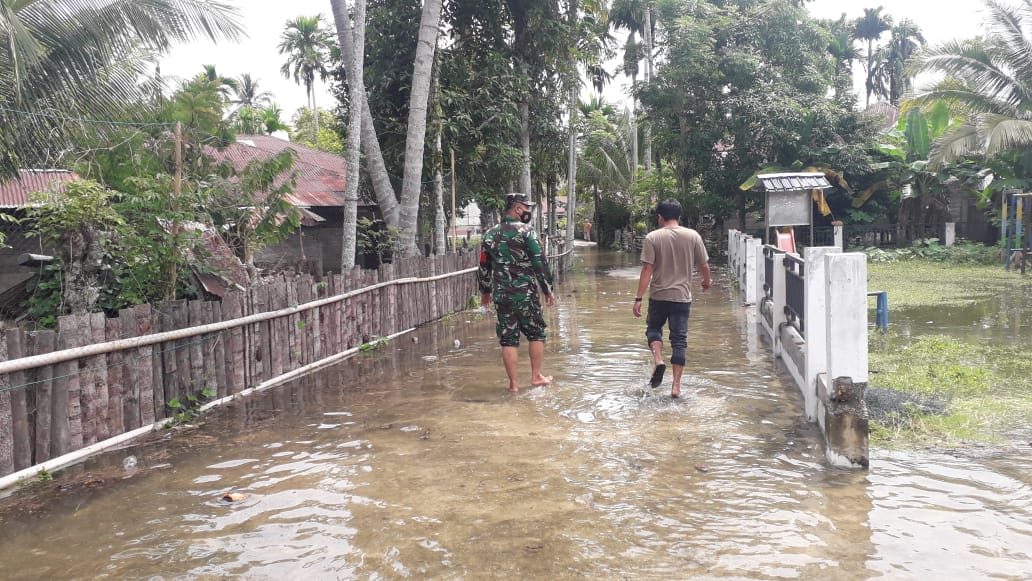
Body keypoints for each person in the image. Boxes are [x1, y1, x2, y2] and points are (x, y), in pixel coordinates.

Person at [632, 198, 711, 398]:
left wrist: (638, 297)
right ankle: (676, 387)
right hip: (682, 297)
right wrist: (706, 281)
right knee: (679, 340)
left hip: (659, 296)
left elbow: (647, 268)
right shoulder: (693, 236)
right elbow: (704, 265)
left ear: (660, 217)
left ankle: (658, 359)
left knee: (653, 329)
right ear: (679, 216)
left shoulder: (652, 237)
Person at [478, 192, 557, 392]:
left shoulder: (490, 234)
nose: (529, 211)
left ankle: (513, 385)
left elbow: (484, 265)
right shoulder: (527, 232)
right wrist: (547, 289)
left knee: (508, 338)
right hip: (526, 294)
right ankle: (536, 376)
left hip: (502, 295)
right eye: (527, 208)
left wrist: (485, 291)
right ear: (518, 209)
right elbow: (539, 261)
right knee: (536, 333)